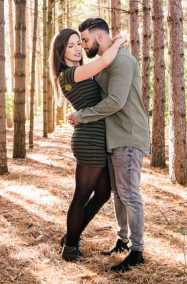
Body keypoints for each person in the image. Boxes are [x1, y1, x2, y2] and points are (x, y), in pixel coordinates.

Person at [67, 18, 151, 273]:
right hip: (114, 137)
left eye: (84, 40)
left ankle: (137, 251)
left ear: (99, 38)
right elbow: (98, 72)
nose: (82, 46)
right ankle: (122, 241)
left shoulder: (123, 61)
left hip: (128, 134)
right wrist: (118, 41)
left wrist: (81, 116)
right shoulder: (106, 62)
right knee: (118, 193)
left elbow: (115, 101)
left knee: (129, 194)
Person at [48, 28, 128, 262]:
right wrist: (119, 41)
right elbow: (104, 61)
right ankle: (70, 248)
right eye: (70, 46)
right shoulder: (72, 73)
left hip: (95, 136)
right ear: (61, 51)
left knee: (102, 194)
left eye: (78, 44)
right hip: (90, 139)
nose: (77, 49)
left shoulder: (75, 73)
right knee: (82, 195)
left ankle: (70, 235)